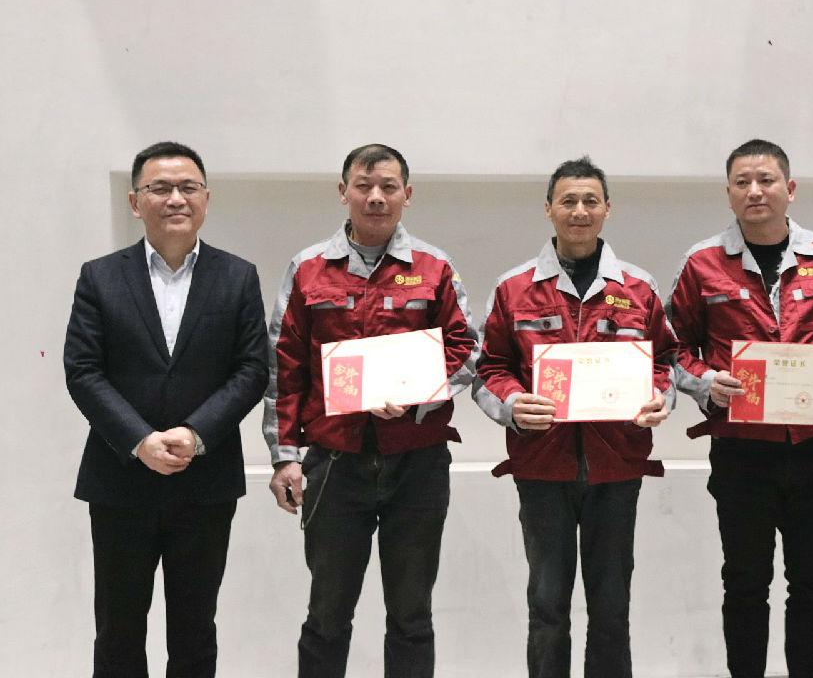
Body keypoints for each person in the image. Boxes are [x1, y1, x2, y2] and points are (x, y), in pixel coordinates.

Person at [668, 139, 813, 678]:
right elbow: (673, 348)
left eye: (766, 180)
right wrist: (705, 383)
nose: (755, 191)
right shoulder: (701, 263)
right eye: (742, 182)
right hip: (741, 452)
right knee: (745, 582)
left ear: (790, 189)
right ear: (728, 193)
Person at [262, 144, 479, 678]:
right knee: (327, 615)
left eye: (388, 186)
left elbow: (468, 349)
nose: (376, 197)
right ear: (344, 192)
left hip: (418, 461)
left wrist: (419, 392)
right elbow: (283, 368)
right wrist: (285, 456)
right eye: (364, 186)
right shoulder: (307, 269)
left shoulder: (434, 267)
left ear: (408, 194)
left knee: (411, 615)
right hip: (334, 462)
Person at [64, 142, 270, 678]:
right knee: (117, 631)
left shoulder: (238, 276)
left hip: (205, 480)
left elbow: (252, 370)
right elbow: (83, 370)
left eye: (188, 187)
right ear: (136, 202)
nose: (176, 198)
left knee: (195, 632)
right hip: (120, 481)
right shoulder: (100, 276)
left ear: (206, 198)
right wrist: (140, 440)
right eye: (160, 188)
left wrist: (196, 434)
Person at [472, 156, 675, 678]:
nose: (579, 211)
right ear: (548, 209)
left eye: (590, 201)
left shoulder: (639, 287)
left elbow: (666, 363)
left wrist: (661, 398)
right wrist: (513, 405)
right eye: (568, 201)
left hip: (617, 467)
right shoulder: (513, 288)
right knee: (547, 607)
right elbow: (488, 368)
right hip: (542, 469)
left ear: (607, 209)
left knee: (611, 607)